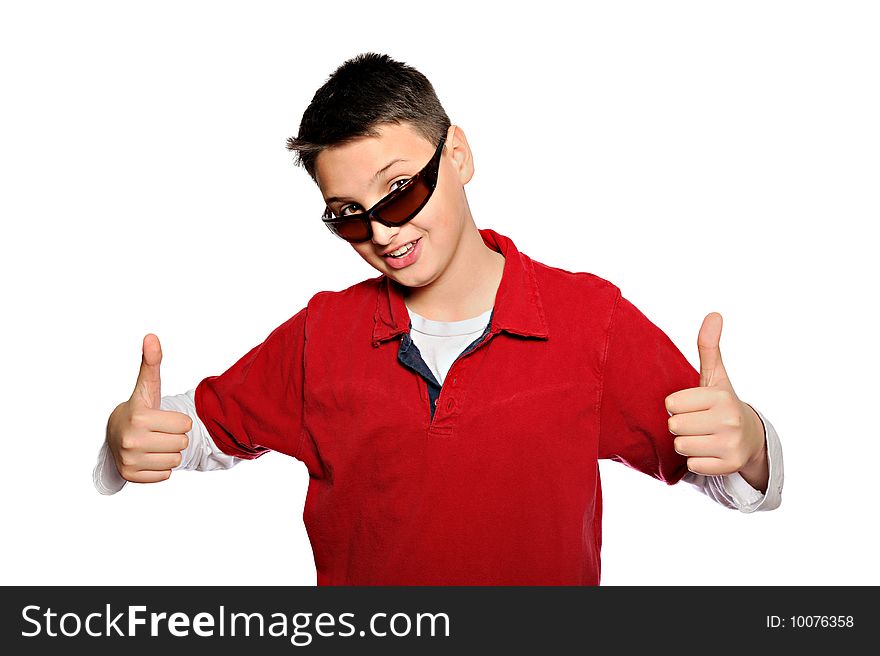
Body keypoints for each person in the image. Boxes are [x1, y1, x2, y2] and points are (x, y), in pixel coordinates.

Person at [94, 53, 783, 585]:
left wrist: (748, 440)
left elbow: (722, 467)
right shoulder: (322, 334)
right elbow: (194, 430)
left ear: (457, 155)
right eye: (348, 215)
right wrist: (124, 434)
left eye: (398, 191)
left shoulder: (588, 320)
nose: (382, 233)